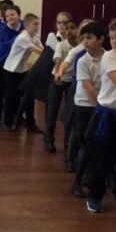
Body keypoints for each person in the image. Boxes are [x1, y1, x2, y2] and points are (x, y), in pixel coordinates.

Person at [84, 20, 116, 214]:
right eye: (112, 38)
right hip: (107, 116)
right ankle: (94, 196)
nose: (114, 41)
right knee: (101, 159)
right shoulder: (109, 58)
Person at [71, 23, 105, 198]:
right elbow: (88, 87)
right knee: (87, 144)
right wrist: (100, 107)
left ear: (101, 39)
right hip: (85, 105)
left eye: (89, 38)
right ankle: (76, 181)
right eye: (83, 38)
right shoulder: (83, 60)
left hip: (101, 105)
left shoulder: (108, 57)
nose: (85, 41)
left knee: (98, 145)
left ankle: (90, 178)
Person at [43, 18, 79, 153]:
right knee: (52, 110)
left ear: (78, 30)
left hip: (72, 81)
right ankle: (48, 139)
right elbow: (58, 61)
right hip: (58, 79)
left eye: (72, 28)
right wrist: (58, 75)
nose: (69, 31)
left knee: (69, 112)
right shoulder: (61, 45)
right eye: (67, 28)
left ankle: (68, 141)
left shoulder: (81, 46)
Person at [3, 13, 44, 132]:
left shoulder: (34, 37)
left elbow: (43, 49)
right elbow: (39, 51)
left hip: (22, 70)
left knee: (29, 97)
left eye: (38, 24)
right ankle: (8, 122)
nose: (37, 27)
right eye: (35, 24)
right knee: (11, 97)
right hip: (11, 70)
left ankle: (31, 124)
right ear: (26, 25)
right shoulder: (22, 38)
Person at [0, 5, 24, 128]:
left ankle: (12, 118)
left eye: (12, 14)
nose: (9, 17)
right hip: (0, 62)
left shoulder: (23, 26)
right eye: (7, 15)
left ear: (19, 15)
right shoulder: (4, 29)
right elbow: (6, 44)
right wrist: (20, 37)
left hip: (13, 64)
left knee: (12, 91)